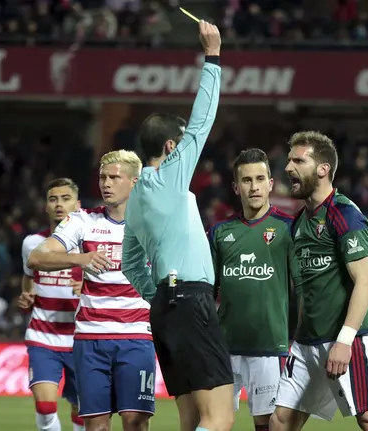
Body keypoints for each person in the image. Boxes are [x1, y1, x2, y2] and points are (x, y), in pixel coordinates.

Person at [121, 20, 233, 431]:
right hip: (190, 300)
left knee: (190, 417)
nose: (189, 145)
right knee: (220, 418)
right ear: (170, 147)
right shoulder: (170, 176)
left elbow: (130, 264)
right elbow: (202, 120)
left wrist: (161, 295)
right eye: (181, 142)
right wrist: (213, 57)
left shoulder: (135, 198)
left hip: (166, 308)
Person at [270, 131, 368, 431]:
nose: (288, 168)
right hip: (306, 342)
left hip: (345, 340)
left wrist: (344, 342)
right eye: (289, 160)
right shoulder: (301, 222)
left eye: (298, 161)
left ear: (323, 169)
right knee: (281, 421)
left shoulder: (344, 215)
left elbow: (365, 283)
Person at [28, 150, 155, 431]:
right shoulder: (83, 221)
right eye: (102, 177)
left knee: (136, 422)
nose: (106, 183)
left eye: (114, 177)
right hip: (91, 339)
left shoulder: (152, 224)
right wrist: (79, 258)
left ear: (134, 182)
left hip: (136, 336)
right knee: (96, 426)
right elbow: (36, 257)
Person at [208, 148, 297, 431]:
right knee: (213, 421)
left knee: (266, 424)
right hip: (224, 347)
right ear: (236, 187)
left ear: (271, 183)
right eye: (246, 180)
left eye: (260, 179)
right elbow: (208, 290)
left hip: (269, 347)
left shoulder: (287, 229)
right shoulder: (220, 232)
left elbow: (304, 289)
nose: (254, 186)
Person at [18, 178, 84, 431]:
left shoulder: (90, 244)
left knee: (82, 413)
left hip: (81, 339)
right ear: (46, 206)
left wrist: (89, 290)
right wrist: (27, 297)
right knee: (45, 409)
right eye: (53, 199)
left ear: (77, 205)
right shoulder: (32, 244)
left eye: (65, 198)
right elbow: (28, 278)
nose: (59, 204)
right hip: (43, 336)